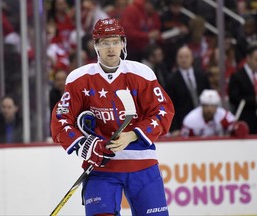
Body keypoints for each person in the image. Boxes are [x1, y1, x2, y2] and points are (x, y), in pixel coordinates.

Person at [51, 18, 174, 216]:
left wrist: (132, 135)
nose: (111, 48)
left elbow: (163, 111)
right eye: (105, 42)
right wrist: (86, 145)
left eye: (116, 41)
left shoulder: (142, 74)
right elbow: (61, 119)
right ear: (95, 45)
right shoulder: (79, 79)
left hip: (142, 164)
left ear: (123, 44)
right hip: (102, 168)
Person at [166, 46, 211, 136]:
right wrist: (174, 128)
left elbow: (209, 96)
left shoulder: (201, 76)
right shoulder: (171, 80)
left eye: (186, 57)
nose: (184, 60)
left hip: (204, 122)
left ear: (192, 58)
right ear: (177, 59)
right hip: (182, 124)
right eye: (181, 57)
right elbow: (169, 106)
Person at [181, 89, 249, 138]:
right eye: (206, 105)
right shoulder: (191, 120)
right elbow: (184, 139)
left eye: (212, 106)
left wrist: (237, 128)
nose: (209, 109)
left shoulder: (223, 115)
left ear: (217, 107)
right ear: (201, 106)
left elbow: (235, 127)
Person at [228, 44, 257, 134]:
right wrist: (253, 100)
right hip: (246, 120)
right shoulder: (237, 76)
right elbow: (233, 98)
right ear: (248, 58)